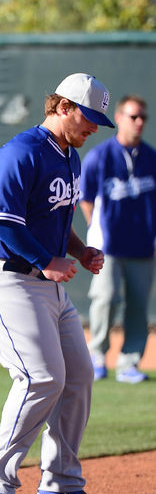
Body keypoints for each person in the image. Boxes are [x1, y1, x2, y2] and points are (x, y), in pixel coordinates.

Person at [0, 73, 113, 494]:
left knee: (79, 376)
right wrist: (46, 260)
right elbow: (1, 220)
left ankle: (61, 482)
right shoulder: (20, 152)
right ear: (63, 106)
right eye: (88, 117)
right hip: (6, 278)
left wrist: (79, 250)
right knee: (41, 377)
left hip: (46, 282)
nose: (94, 127)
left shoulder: (70, 156)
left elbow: (55, 219)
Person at [80, 95, 156, 384]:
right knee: (105, 299)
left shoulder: (151, 157)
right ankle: (97, 356)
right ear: (120, 117)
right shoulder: (100, 156)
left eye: (143, 117)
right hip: (108, 246)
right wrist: (96, 229)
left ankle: (129, 363)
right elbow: (86, 198)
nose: (139, 122)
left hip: (143, 246)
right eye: (134, 116)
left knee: (138, 306)